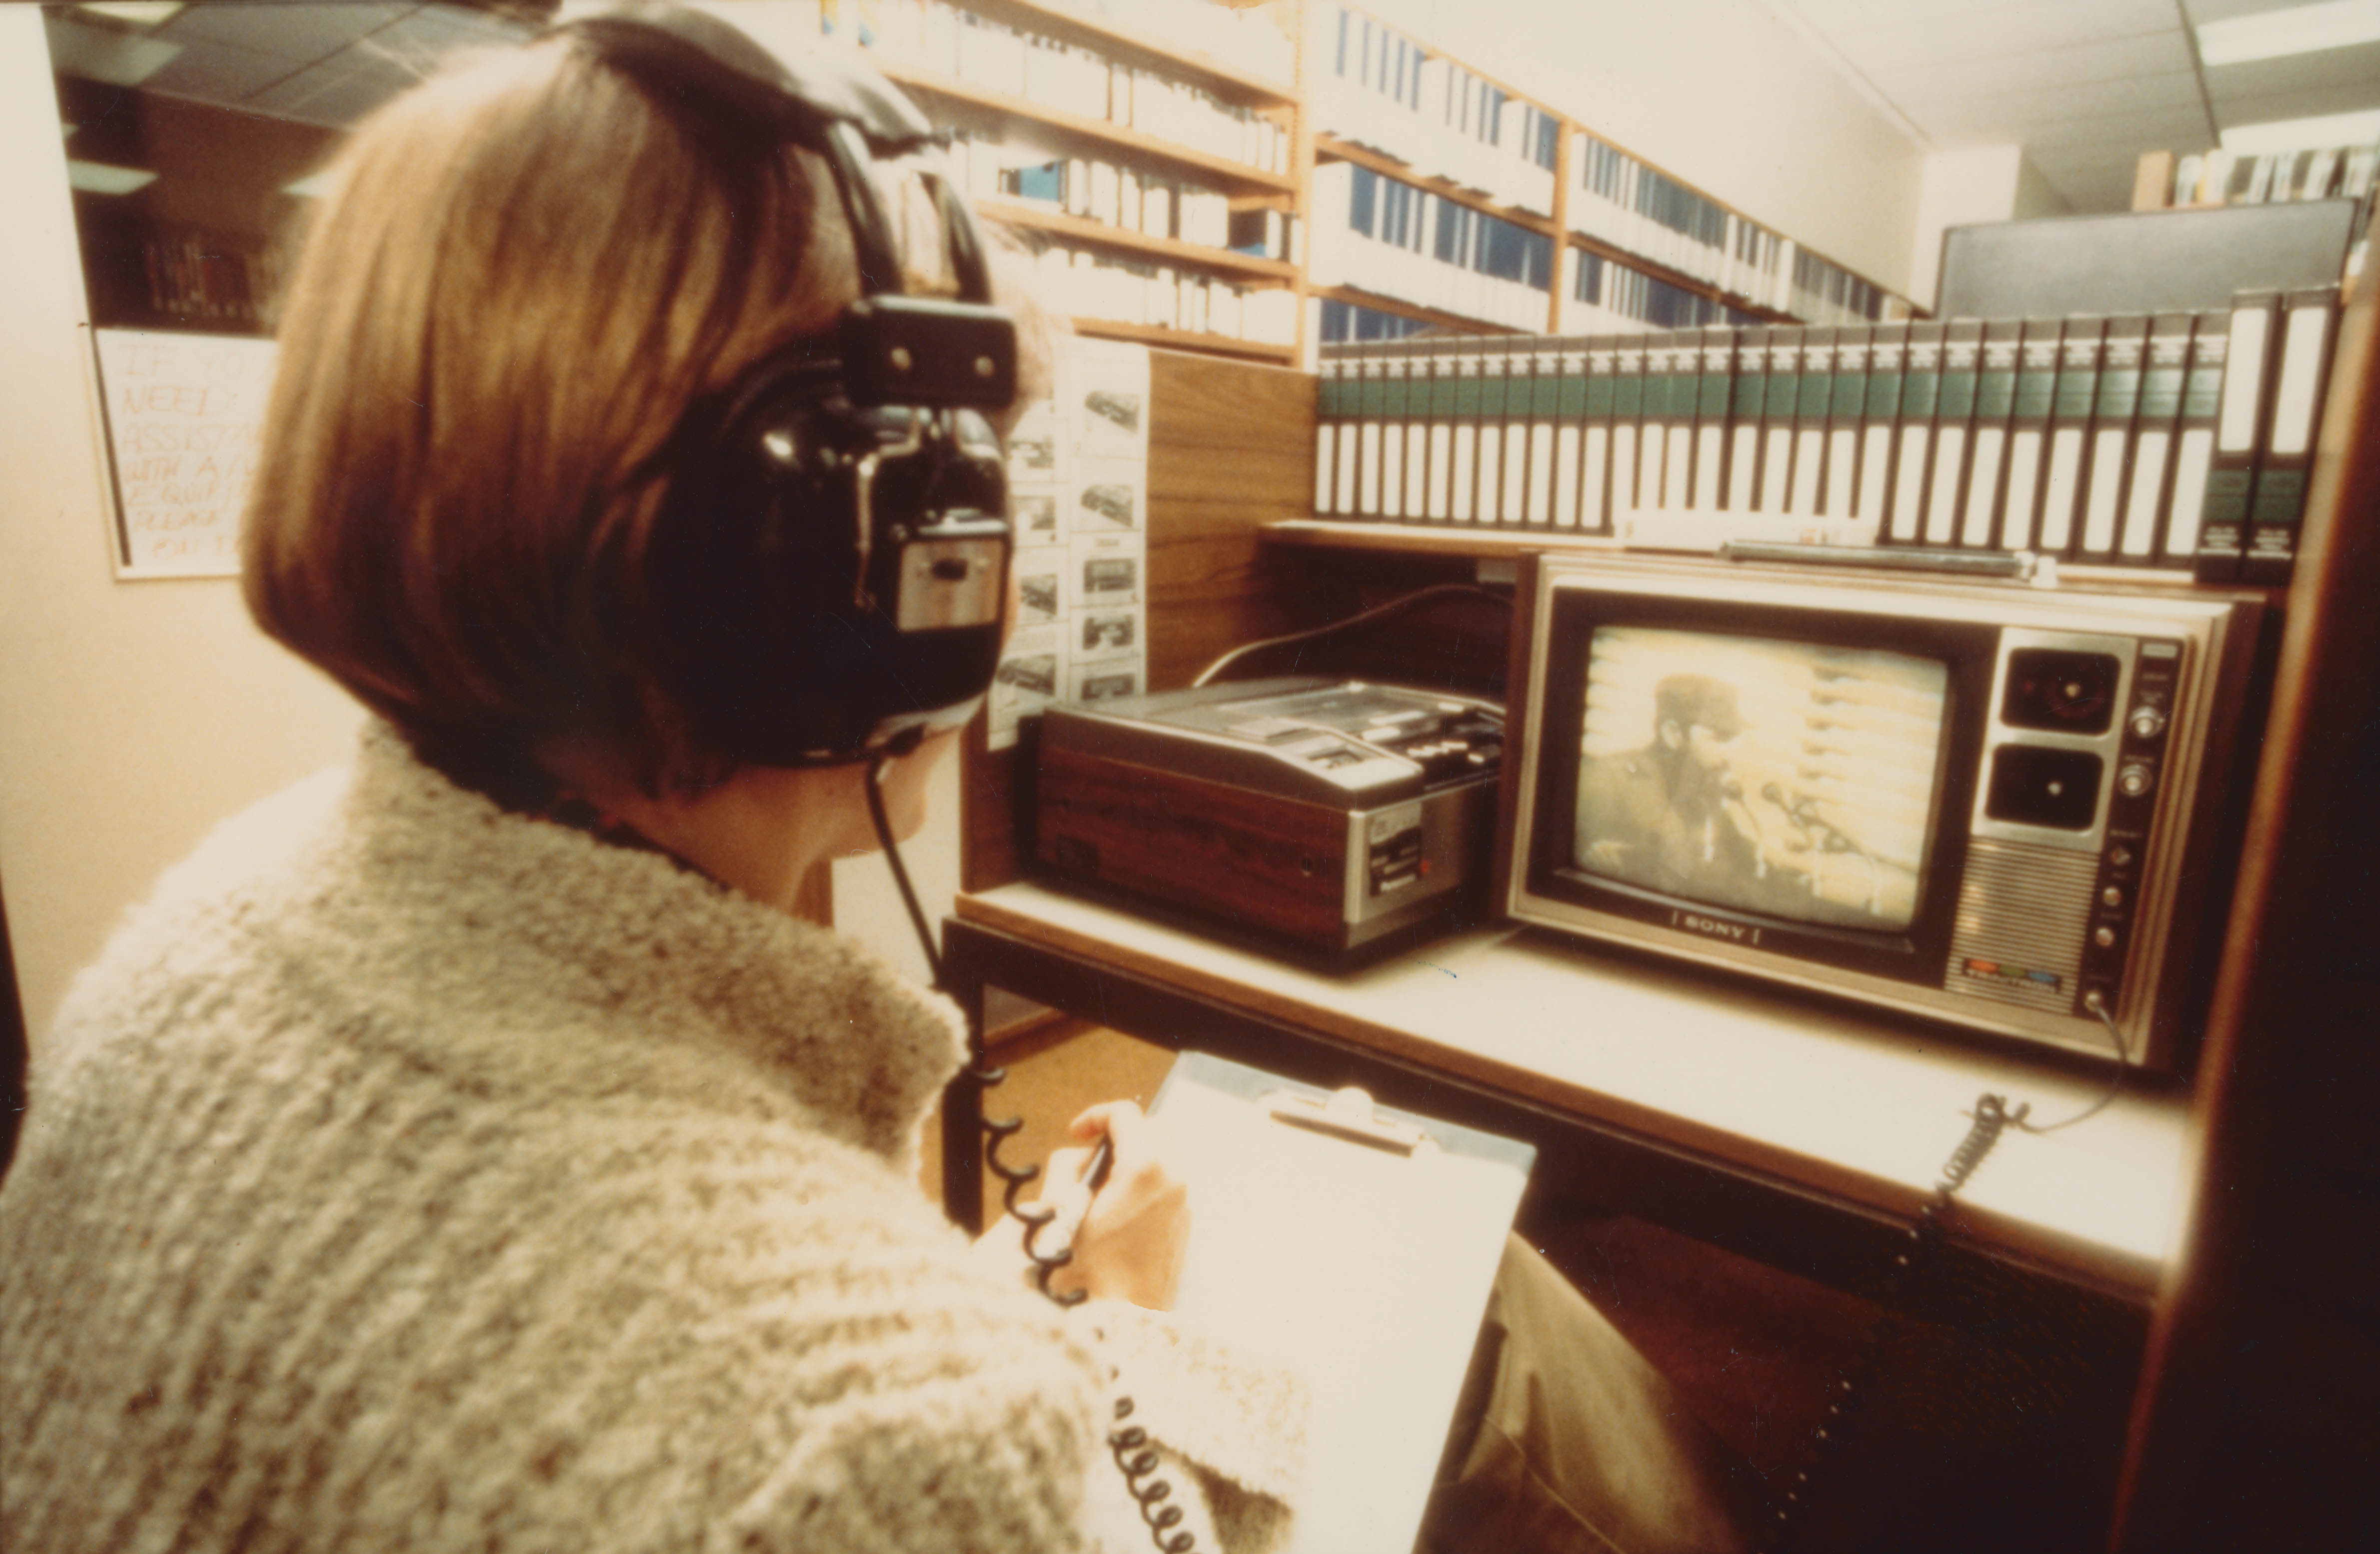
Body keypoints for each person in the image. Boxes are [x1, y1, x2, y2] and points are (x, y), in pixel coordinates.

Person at [0, 10, 1753, 1552]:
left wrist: (936, 1295)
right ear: (851, 580)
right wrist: (1122, 1329)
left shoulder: (181, 943)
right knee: (1502, 1321)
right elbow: (818, 1431)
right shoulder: (886, 1419)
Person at [1577, 674, 1794, 914]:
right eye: (1718, 738)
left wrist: (1781, 876)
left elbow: (1739, 857)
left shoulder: (1704, 795)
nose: (1729, 754)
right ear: (1673, 733)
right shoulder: (1610, 779)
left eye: (1732, 740)